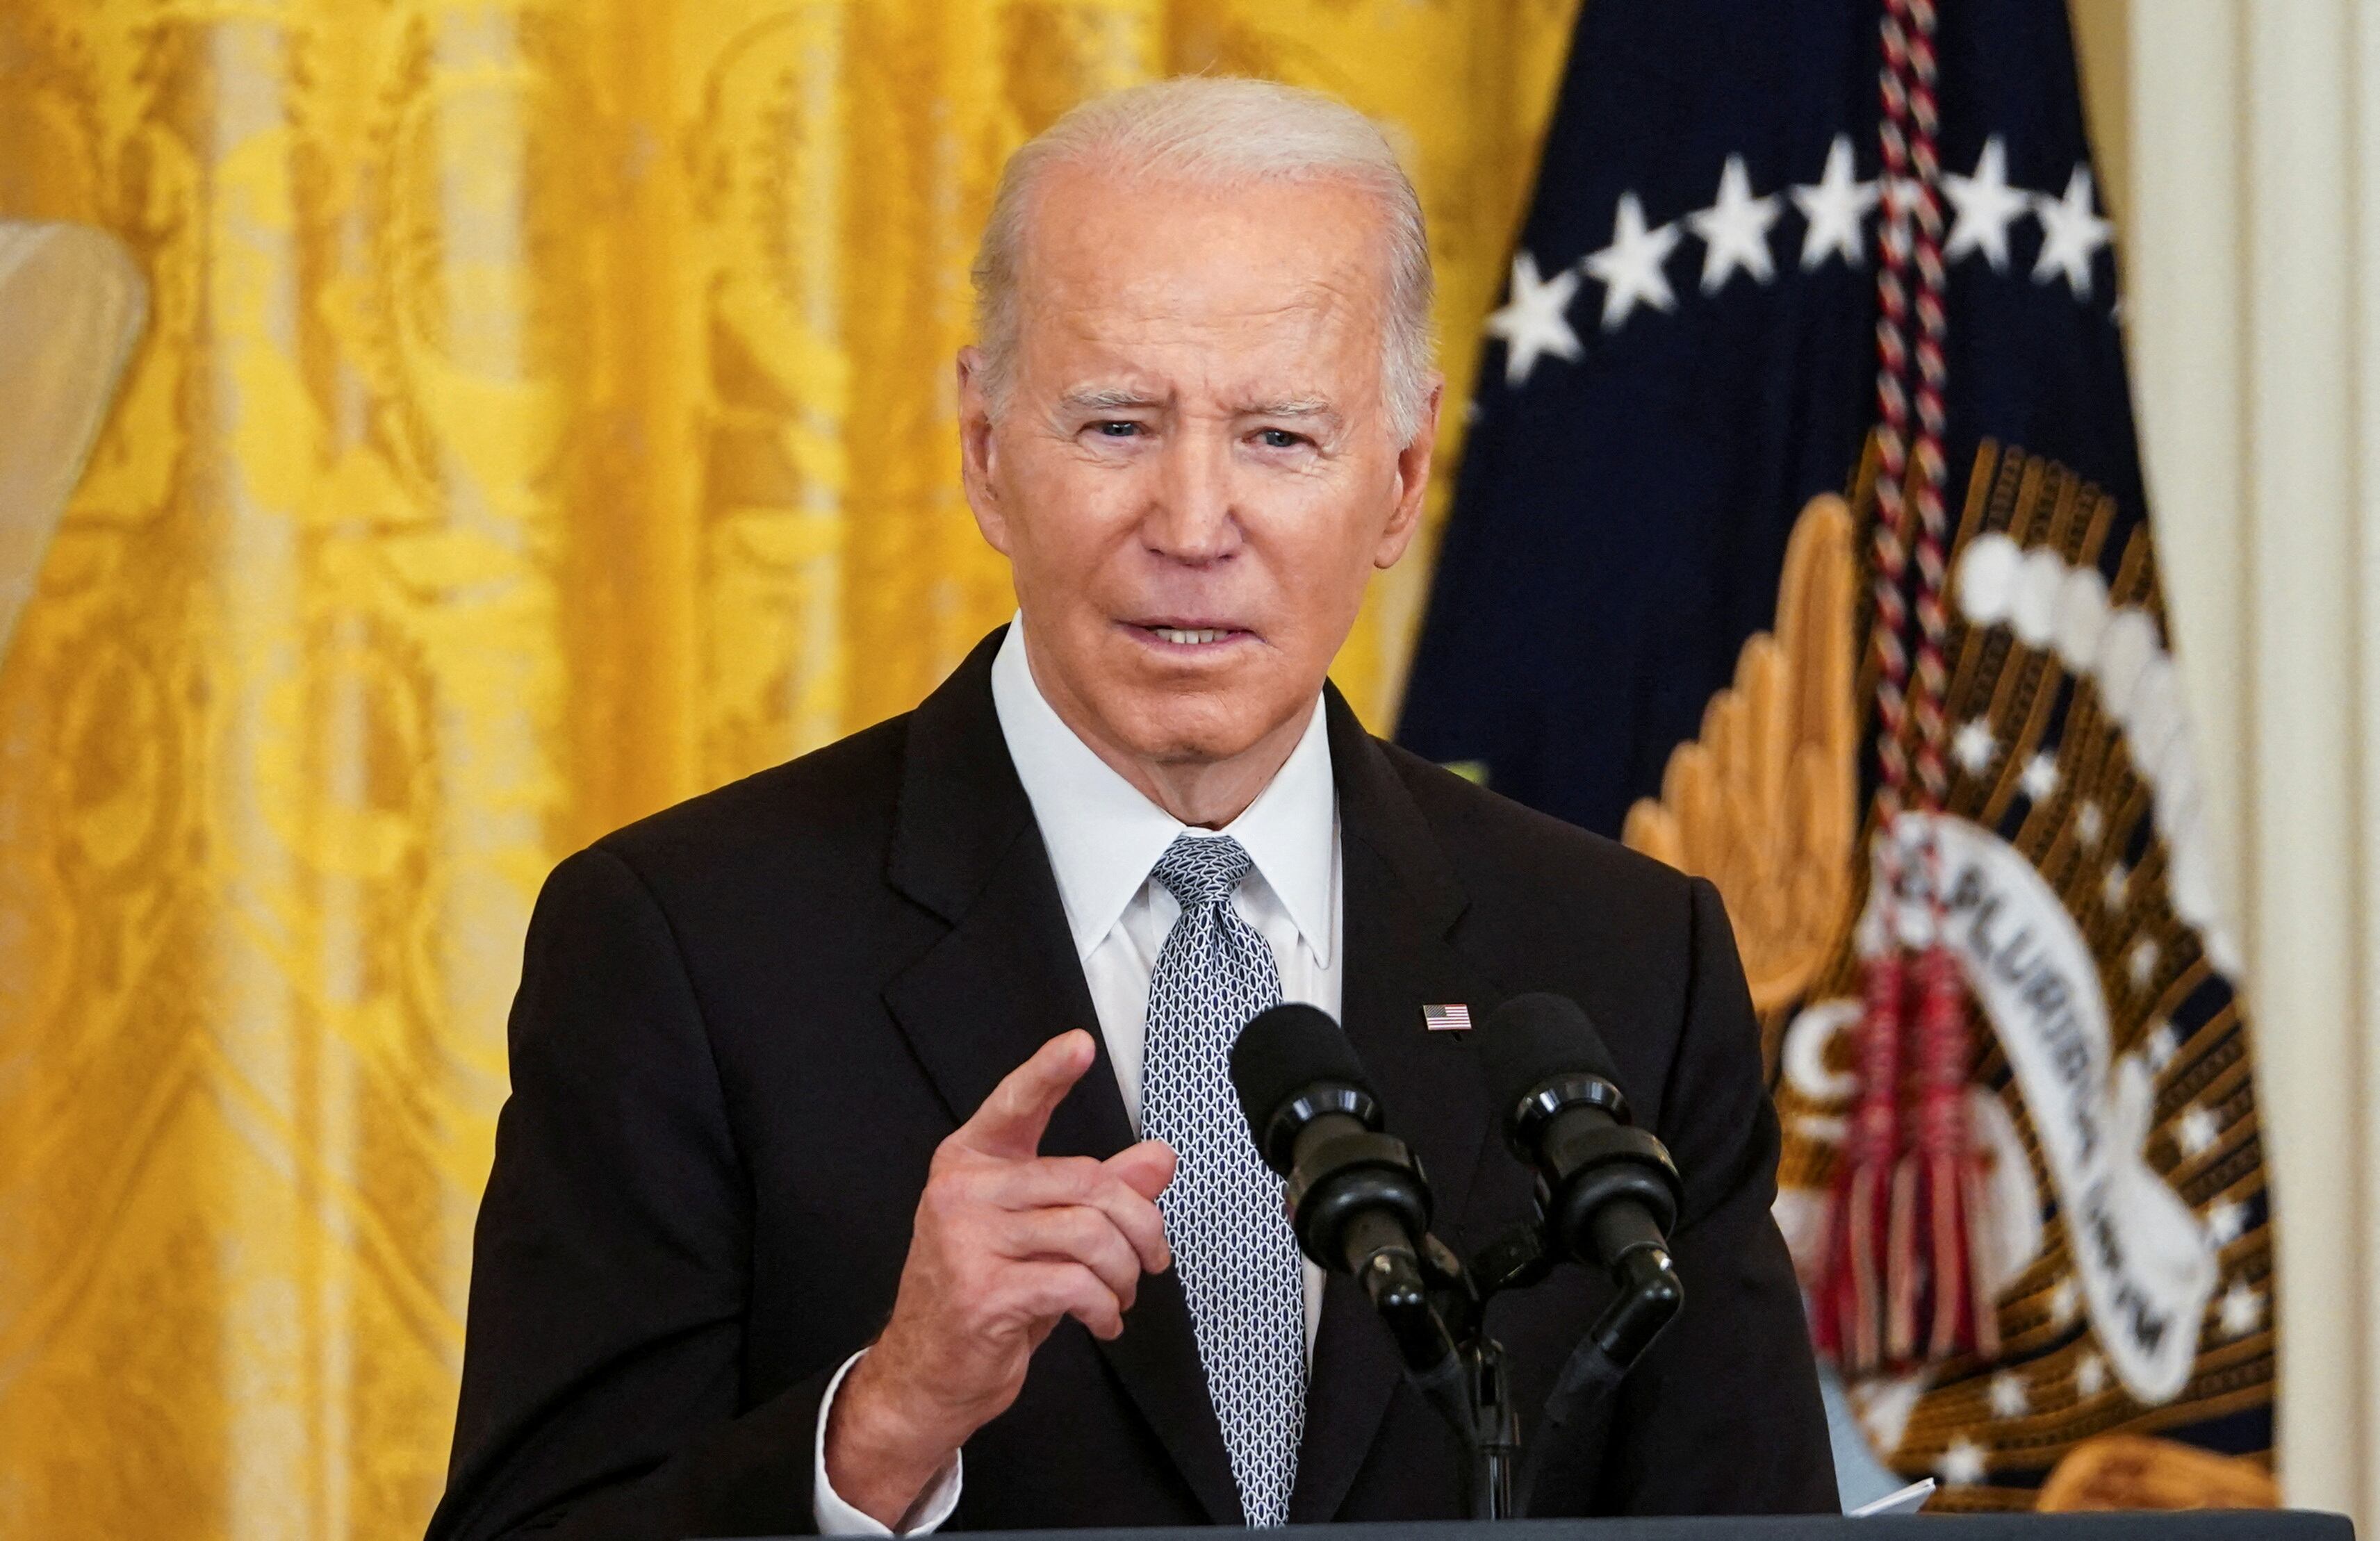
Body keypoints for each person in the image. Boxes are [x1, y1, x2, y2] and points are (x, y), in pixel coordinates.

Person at [428, 76, 1835, 1541]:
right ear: (984, 447)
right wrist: (888, 1416)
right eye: (1115, 424)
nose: (1192, 522)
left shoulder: (1625, 960)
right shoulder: (688, 948)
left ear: (1403, 476)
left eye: (1282, 436)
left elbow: (1744, 1508)